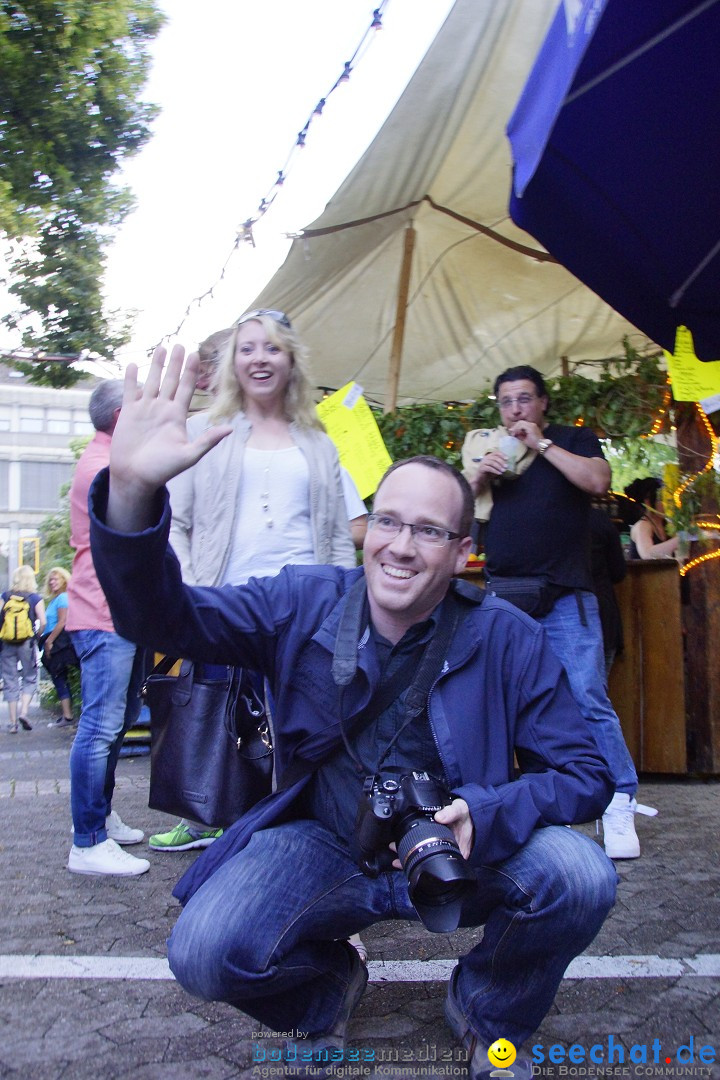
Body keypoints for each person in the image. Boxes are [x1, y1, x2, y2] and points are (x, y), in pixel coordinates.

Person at [87, 345, 617, 1080]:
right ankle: (323, 994)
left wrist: (483, 812)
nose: (401, 547)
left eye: (429, 531)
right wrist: (133, 496)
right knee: (205, 951)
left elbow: (587, 773)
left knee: (581, 875)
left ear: (463, 549)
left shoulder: (508, 636)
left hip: (465, 848)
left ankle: (491, 1009)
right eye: (389, 523)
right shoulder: (301, 601)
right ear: (369, 529)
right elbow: (163, 619)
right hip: (326, 844)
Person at [149, 308, 356, 856]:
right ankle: (235, 861)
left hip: (307, 613)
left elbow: (337, 538)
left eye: (272, 348)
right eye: (247, 349)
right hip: (230, 608)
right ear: (232, 363)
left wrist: (342, 610)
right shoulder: (204, 432)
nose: (259, 359)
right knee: (231, 747)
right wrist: (195, 598)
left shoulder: (318, 441)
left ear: (291, 360)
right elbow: (179, 526)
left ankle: (307, 863)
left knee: (307, 743)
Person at [462, 365, 649, 860]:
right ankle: (503, 811)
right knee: (501, 704)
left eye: (524, 399)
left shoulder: (572, 439)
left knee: (587, 697)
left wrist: (541, 444)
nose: (515, 410)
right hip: (504, 595)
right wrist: (481, 473)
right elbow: (461, 508)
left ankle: (619, 801)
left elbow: (597, 480)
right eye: (506, 402)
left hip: (567, 594)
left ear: (542, 402)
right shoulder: (491, 450)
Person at [66, 380, 150, 878]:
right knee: (100, 727)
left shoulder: (107, 460)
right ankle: (87, 840)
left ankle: (100, 819)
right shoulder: (104, 468)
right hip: (102, 612)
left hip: (113, 611)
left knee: (115, 724)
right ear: (121, 416)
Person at [1, 564, 46, 732]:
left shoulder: (5, 596)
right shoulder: (35, 598)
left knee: (10, 680)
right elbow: (43, 622)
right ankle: (24, 712)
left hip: (7, 643)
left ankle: (12, 723)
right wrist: (37, 635)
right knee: (29, 677)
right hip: (26, 643)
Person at [589, 504, 626, 679]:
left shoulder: (545, 518)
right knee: (597, 693)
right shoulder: (598, 519)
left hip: (548, 614)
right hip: (601, 611)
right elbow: (618, 572)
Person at [41, 566, 77, 727]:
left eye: (56, 579)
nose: (52, 582)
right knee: (58, 676)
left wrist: (50, 641)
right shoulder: (55, 599)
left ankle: (68, 716)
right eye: (50, 580)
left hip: (60, 642)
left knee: (59, 675)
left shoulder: (63, 597)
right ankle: (67, 715)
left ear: (64, 580)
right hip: (54, 641)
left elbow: (63, 621)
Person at [623, 477, 679, 560]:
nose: (668, 503)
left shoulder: (667, 525)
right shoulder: (642, 526)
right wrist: (681, 539)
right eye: (662, 499)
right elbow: (647, 554)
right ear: (647, 501)